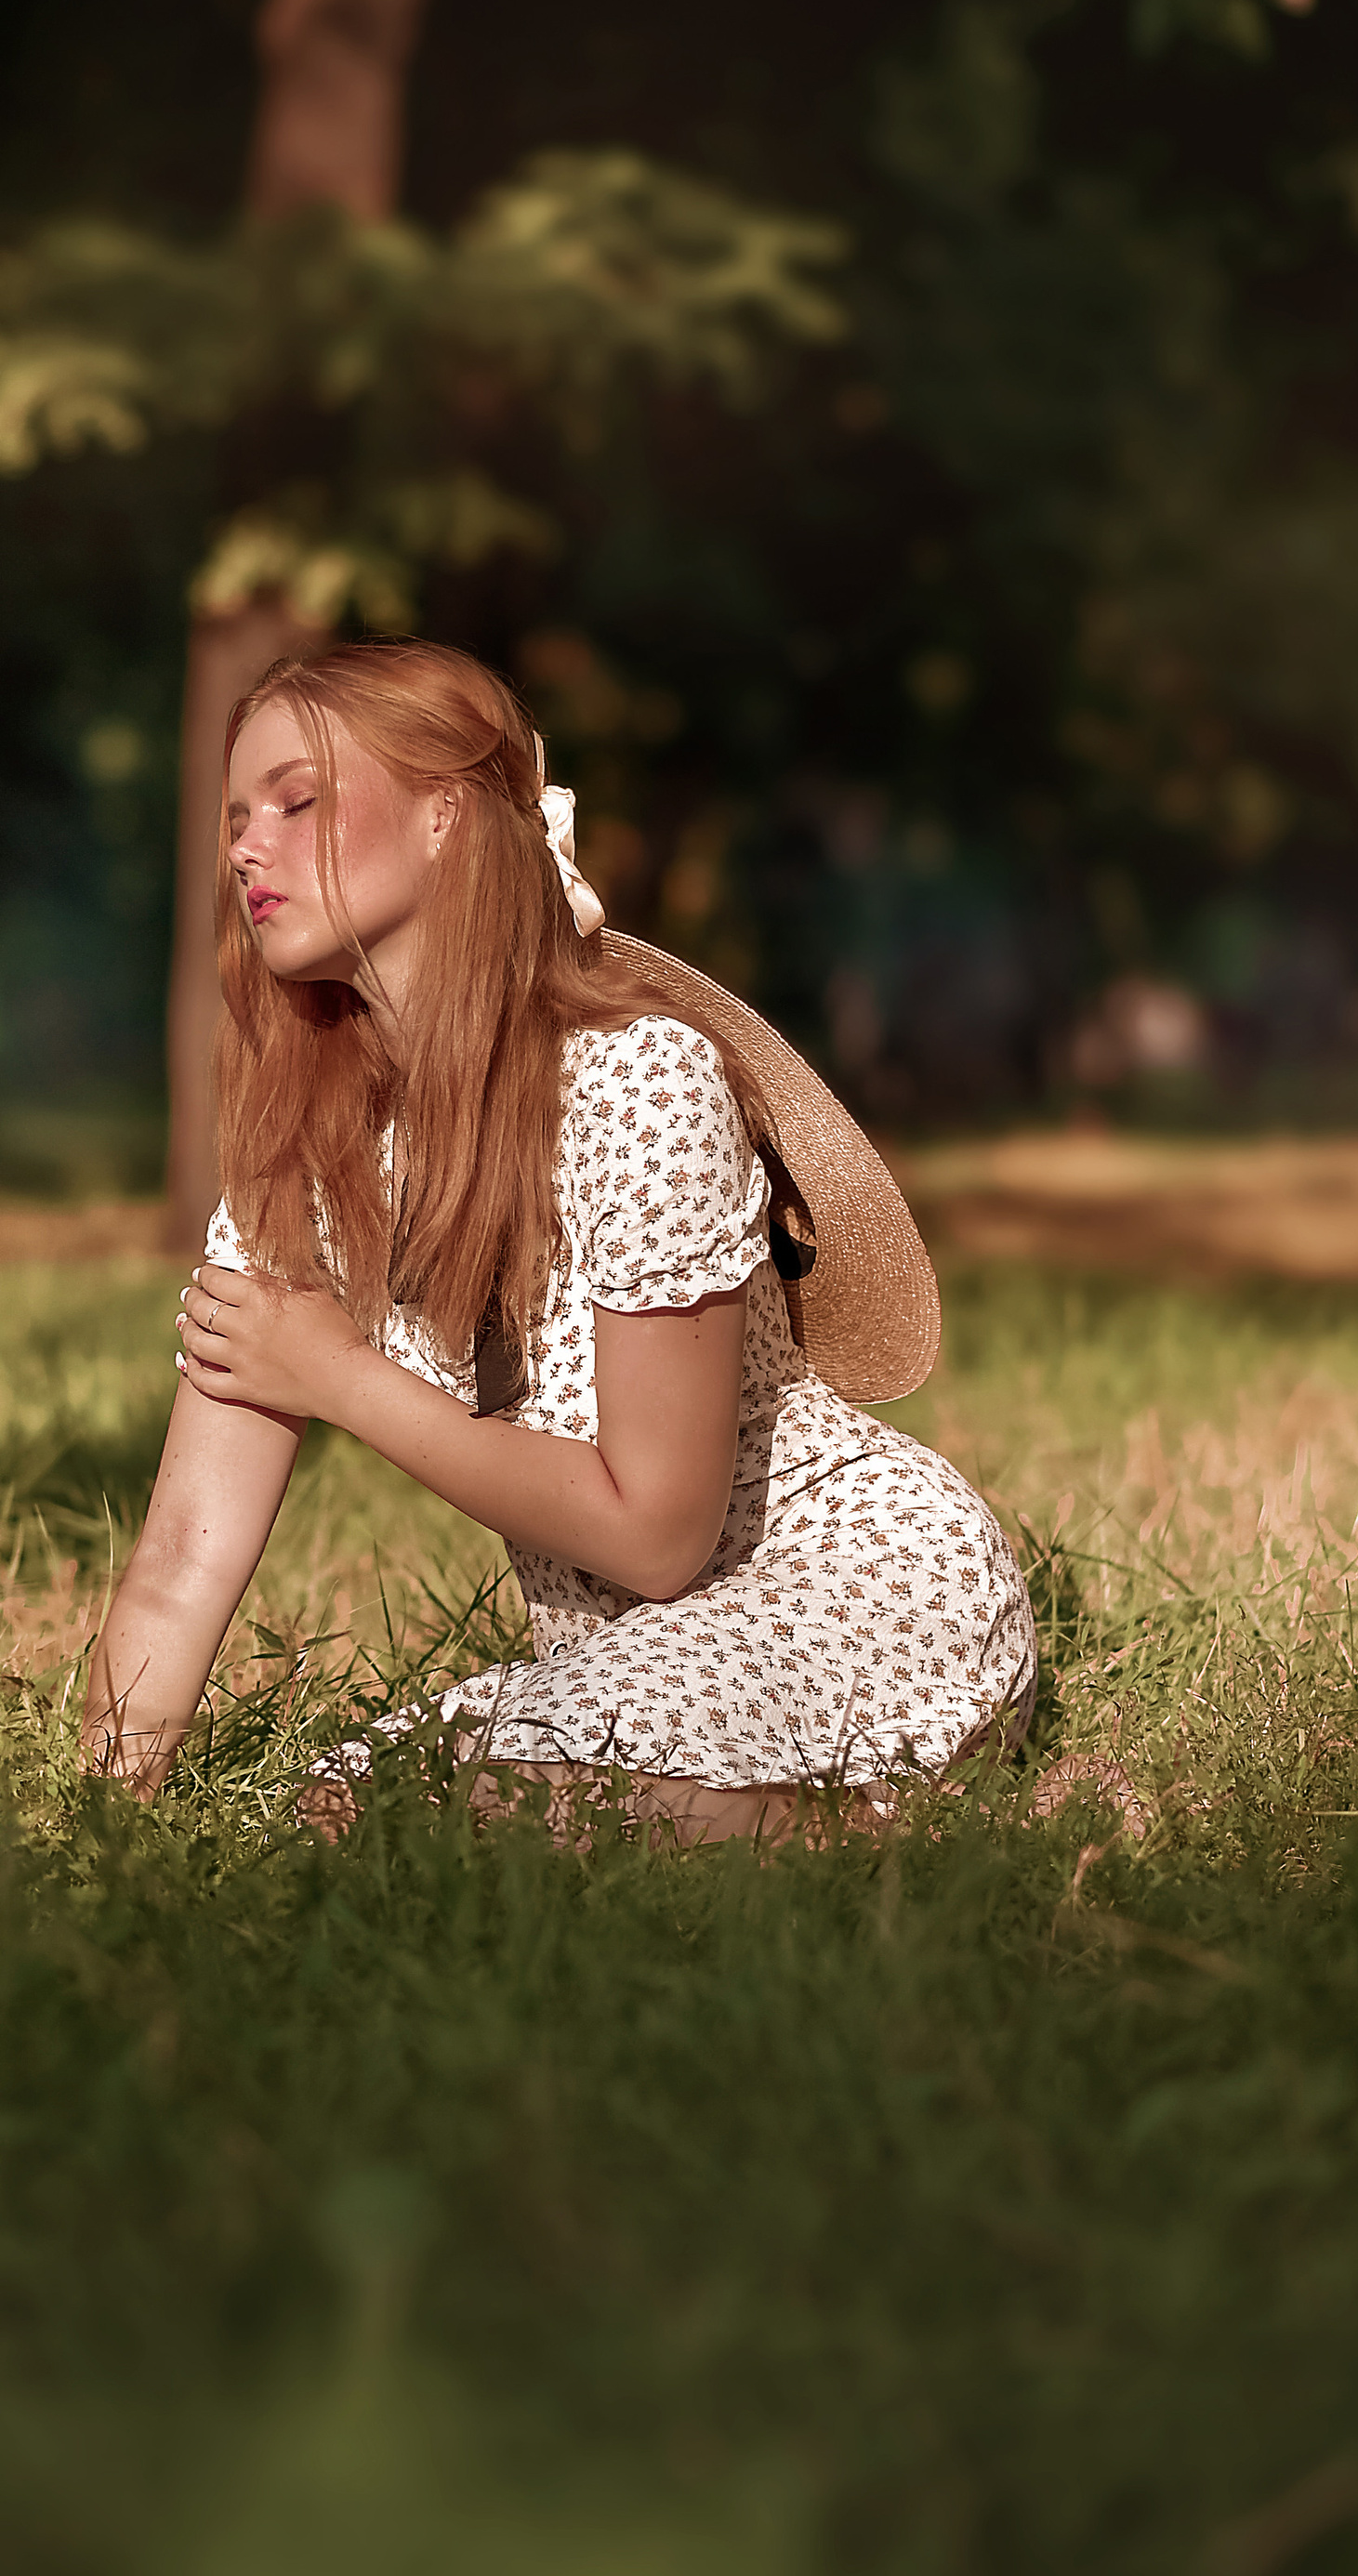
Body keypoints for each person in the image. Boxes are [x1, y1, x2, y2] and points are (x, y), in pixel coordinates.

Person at [85, 641, 1036, 1841]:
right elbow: (182, 1558)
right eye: (236, 816)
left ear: (447, 818)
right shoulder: (304, 1159)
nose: (245, 847)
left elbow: (656, 1532)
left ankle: (923, 1828)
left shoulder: (638, 1084)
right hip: (646, 1655)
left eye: (298, 801)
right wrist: (90, 1839)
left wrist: (338, 1378)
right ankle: (855, 1822)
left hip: (854, 1587)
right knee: (344, 1815)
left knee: (435, 1812)